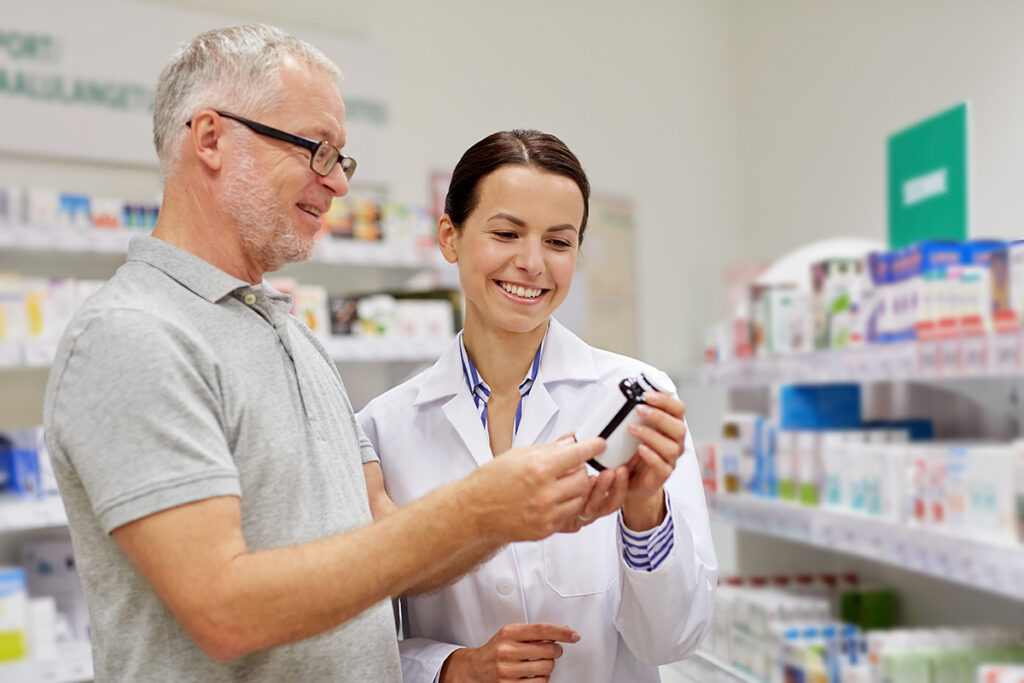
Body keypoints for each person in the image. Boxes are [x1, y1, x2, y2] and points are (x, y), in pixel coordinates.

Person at [42, 26, 613, 682]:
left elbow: (390, 544)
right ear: (209, 139)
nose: (338, 184)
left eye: (341, 159)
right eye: (318, 151)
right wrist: (478, 506)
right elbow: (224, 610)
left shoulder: (292, 336)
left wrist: (523, 511)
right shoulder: (134, 334)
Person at [358, 130, 719, 683]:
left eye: (559, 242)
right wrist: (449, 668)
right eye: (505, 233)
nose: (532, 263)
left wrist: (644, 508)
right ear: (449, 237)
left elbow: (672, 639)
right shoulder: (384, 428)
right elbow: (359, 640)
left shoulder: (638, 395)